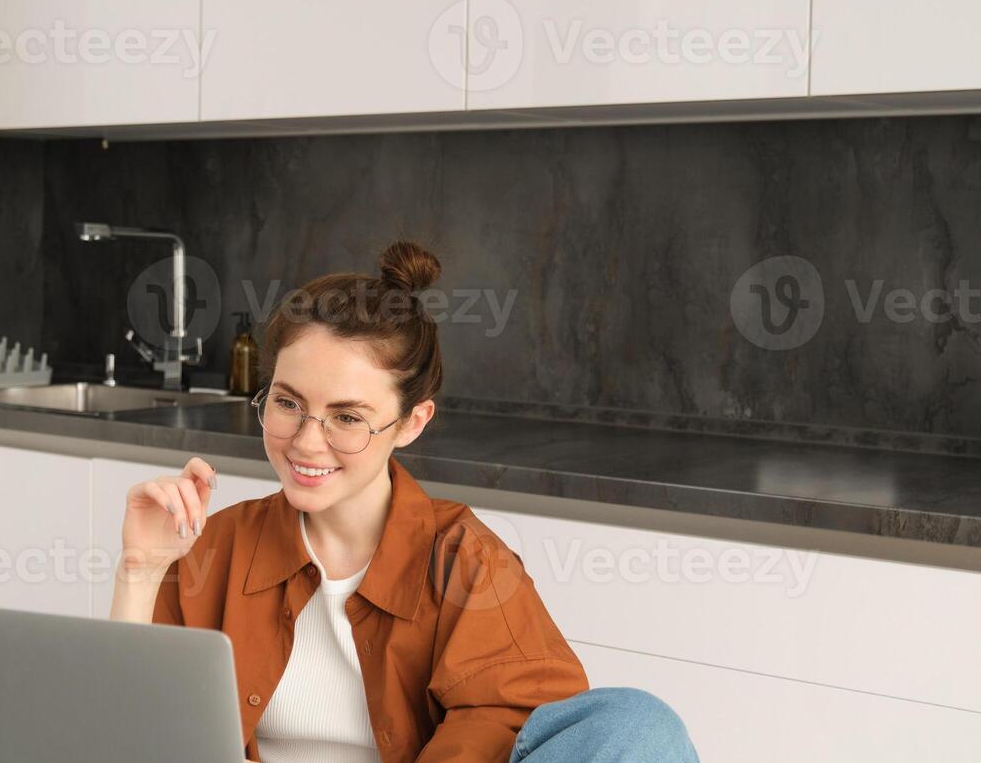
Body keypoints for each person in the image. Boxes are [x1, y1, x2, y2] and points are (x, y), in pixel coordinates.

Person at [109, 242, 699, 763]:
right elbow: (128, 738)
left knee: (637, 725)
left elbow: (517, 721)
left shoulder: (466, 561)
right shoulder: (215, 545)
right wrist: (140, 571)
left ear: (412, 422)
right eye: (287, 403)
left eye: (347, 417)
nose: (307, 442)